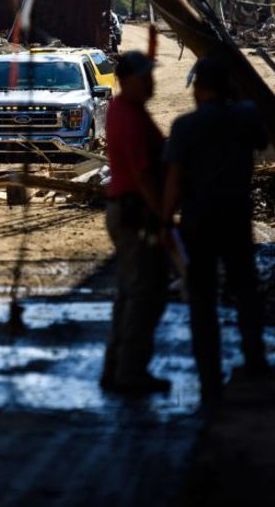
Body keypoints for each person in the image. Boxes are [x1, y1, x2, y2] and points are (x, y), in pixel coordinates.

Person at [162, 56, 268, 403]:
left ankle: (208, 372)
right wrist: (235, 98)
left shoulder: (184, 127)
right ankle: (255, 360)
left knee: (203, 299)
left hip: (198, 222)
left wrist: (165, 221)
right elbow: (261, 141)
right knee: (245, 290)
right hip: (236, 216)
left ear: (199, 87)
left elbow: (174, 181)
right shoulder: (246, 116)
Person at [101, 51, 171, 395]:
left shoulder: (127, 110)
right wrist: (164, 218)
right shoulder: (127, 116)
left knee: (131, 292)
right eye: (144, 78)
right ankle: (129, 371)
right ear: (127, 81)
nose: (150, 83)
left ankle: (116, 367)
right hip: (135, 212)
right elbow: (143, 174)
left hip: (129, 210)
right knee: (145, 294)